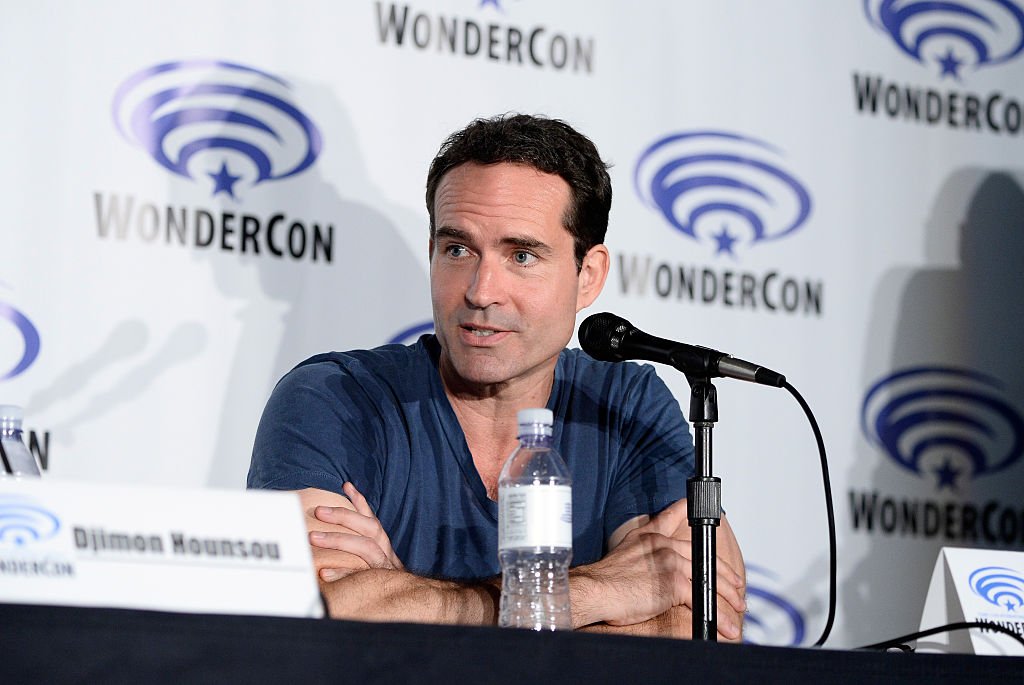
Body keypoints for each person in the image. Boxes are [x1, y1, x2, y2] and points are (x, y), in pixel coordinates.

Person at [247, 113, 746, 638]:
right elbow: (316, 614)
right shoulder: (333, 398)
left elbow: (701, 624)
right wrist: (601, 591)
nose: (481, 291)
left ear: (588, 276)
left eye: (522, 255)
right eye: (457, 249)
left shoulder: (628, 405)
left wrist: (400, 596)